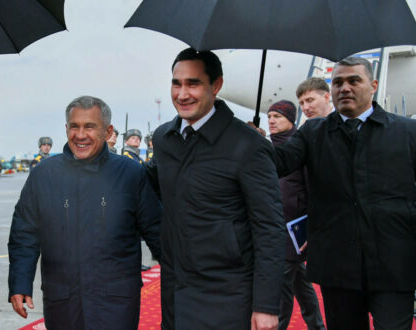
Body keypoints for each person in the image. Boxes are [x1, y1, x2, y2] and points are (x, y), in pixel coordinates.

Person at [272, 57, 416, 329]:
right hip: (338, 268)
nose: (345, 88)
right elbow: (279, 163)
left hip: (394, 265)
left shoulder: (407, 132)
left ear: (373, 85)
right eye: (338, 82)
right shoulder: (313, 132)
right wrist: (252, 144)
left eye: (353, 81)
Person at [146, 47, 285, 329]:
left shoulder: (249, 146)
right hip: (175, 287)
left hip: (228, 292)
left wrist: (266, 305)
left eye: (193, 83)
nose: (182, 94)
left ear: (216, 85)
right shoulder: (164, 139)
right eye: (177, 83)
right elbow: (145, 183)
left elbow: (269, 228)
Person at [8, 95, 162, 330]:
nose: (80, 135)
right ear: (66, 128)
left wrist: (183, 281)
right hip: (63, 301)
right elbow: (24, 234)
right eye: (74, 126)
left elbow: (156, 230)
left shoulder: (130, 173)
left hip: (115, 302)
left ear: (107, 130)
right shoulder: (43, 175)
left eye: (90, 126)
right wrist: (20, 283)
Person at [266, 101, 325, 330]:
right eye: (270, 116)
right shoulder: (267, 148)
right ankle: (317, 326)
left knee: (281, 289)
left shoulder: (300, 146)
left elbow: (313, 189)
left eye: (277, 116)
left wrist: (313, 228)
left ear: (291, 120)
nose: (271, 120)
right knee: (302, 284)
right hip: (274, 227)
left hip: (294, 231)